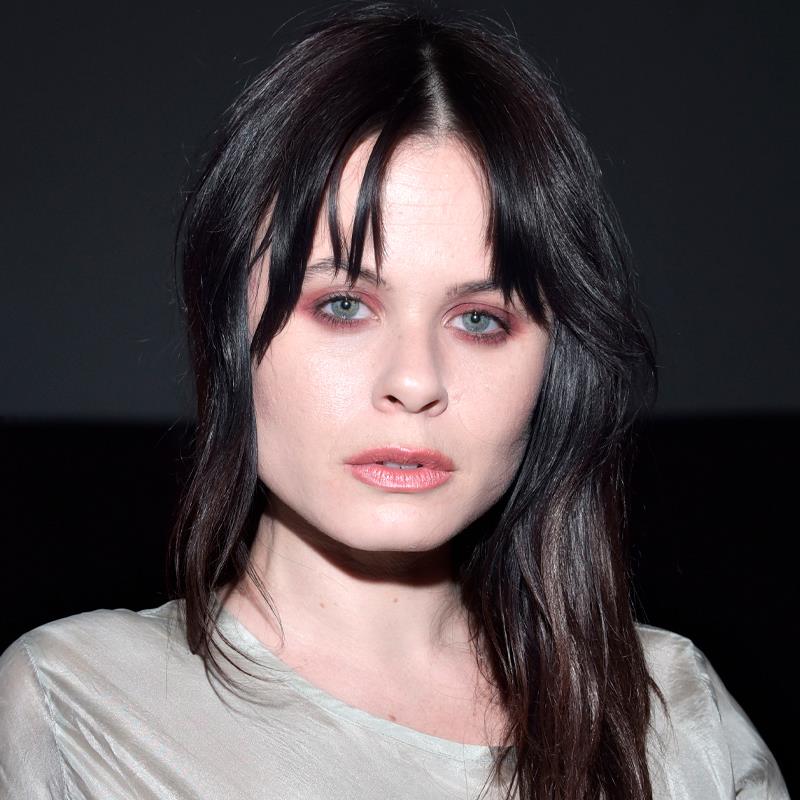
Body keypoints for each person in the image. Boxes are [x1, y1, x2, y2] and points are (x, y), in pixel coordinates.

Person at [0, 3, 789, 799]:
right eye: (343, 305)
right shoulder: (74, 715)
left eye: (479, 320)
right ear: (226, 331)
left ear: (556, 365)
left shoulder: (674, 721)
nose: (414, 380)